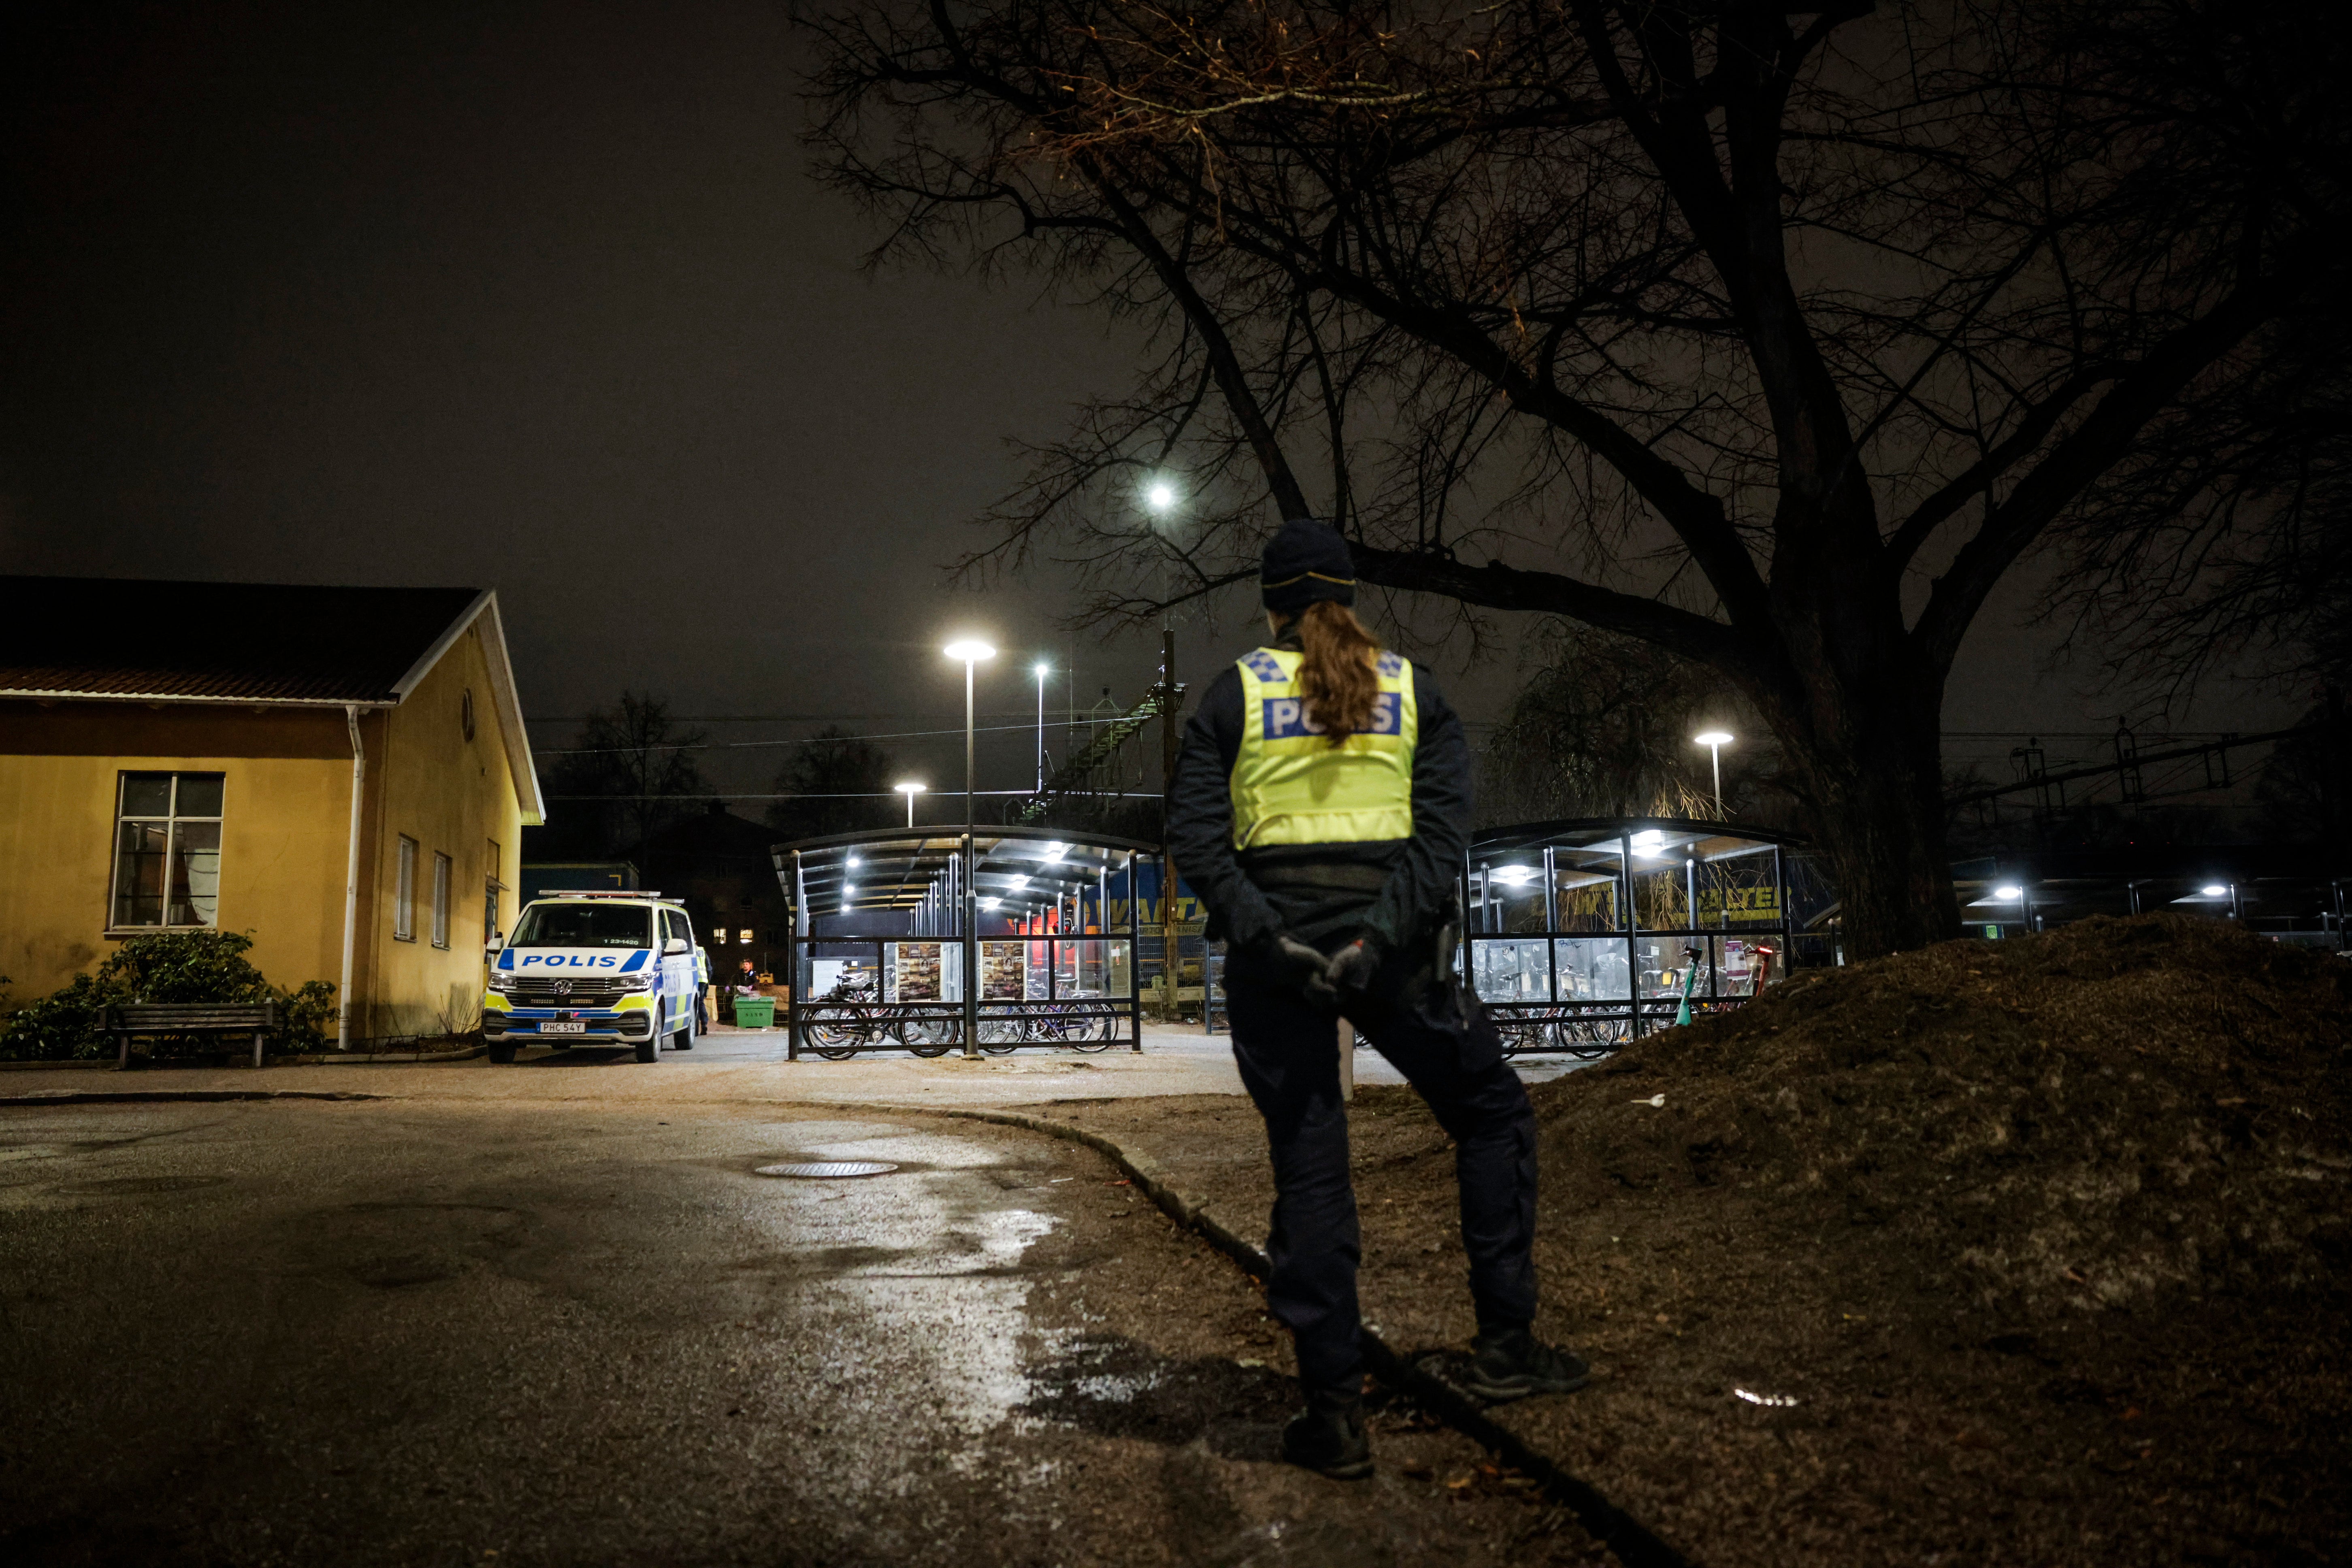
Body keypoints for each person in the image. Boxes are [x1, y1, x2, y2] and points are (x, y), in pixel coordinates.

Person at [1167, 516, 1588, 1480]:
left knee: (1312, 1171)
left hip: (1278, 969)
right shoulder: (1412, 691)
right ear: (1350, 596)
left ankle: (1335, 1415)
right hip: (1396, 960)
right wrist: (1375, 941)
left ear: (1271, 605)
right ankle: (1507, 1347)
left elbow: (1194, 831)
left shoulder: (1235, 693)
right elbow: (1443, 841)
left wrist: (1271, 938)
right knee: (1491, 1113)